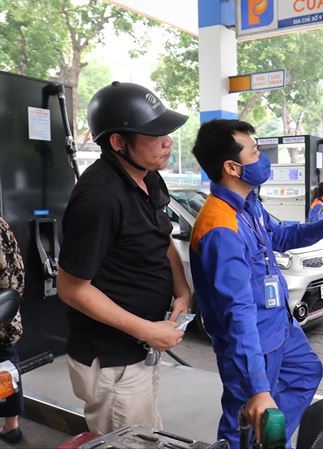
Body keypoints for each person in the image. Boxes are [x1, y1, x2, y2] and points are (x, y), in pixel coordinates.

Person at [190, 119, 323, 448]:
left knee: (305, 373)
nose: (262, 159)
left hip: (279, 327)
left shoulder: (249, 206)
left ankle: (270, 442)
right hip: (252, 342)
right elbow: (237, 311)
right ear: (232, 167)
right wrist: (258, 387)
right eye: (254, 152)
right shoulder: (220, 228)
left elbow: (281, 236)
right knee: (245, 419)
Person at [56, 82, 191, 434]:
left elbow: (161, 236)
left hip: (143, 346)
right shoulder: (99, 198)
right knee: (127, 440)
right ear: (118, 142)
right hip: (113, 360)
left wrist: (182, 292)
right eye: (155, 134)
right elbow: (71, 288)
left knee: (147, 432)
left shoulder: (149, 178)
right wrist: (148, 330)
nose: (167, 142)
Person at [0, 218, 25, 444]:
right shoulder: (2, 225)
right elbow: (17, 271)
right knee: (6, 371)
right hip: (6, 318)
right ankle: (11, 426)